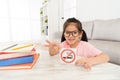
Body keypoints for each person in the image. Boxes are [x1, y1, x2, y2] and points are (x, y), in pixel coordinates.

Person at [45, 17, 109, 70]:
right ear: (64, 34)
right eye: (67, 33)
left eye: (74, 32)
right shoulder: (63, 45)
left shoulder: (86, 46)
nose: (70, 36)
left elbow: (105, 57)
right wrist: (51, 48)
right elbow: (52, 54)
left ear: (80, 34)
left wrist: (90, 60)